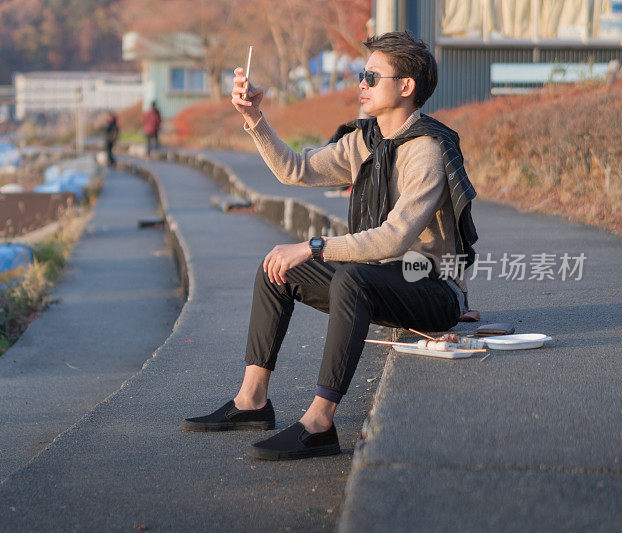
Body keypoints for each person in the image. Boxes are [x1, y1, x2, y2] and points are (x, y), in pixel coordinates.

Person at [182, 31, 479, 461]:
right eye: (362, 74)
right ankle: (252, 402)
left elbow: (395, 237)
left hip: (430, 289)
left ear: (406, 86)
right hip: (381, 277)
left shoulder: (426, 151)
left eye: (371, 76)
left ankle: (319, 423)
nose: (361, 83)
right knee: (277, 269)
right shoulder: (366, 142)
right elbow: (295, 169)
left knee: (351, 276)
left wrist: (314, 245)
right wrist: (255, 118)